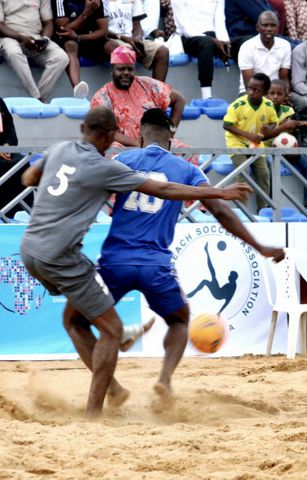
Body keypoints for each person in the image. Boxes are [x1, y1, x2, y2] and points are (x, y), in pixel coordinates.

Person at [19, 106, 251, 417]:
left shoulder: (62, 149)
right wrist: (219, 193)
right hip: (71, 258)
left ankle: (115, 383)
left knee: (74, 321)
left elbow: (28, 177)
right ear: (108, 135)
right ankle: (96, 412)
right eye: (112, 136)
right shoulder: (106, 167)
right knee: (119, 329)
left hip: (30, 250)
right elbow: (164, 189)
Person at [91, 45, 185, 147]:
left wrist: (169, 133)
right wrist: (140, 145)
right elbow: (107, 131)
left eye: (130, 69)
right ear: (112, 70)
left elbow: (179, 100)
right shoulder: (102, 96)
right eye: (121, 69)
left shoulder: (147, 84)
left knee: (188, 152)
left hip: (156, 144)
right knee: (114, 149)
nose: (126, 73)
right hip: (126, 148)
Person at [223, 73, 278, 211]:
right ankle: (243, 211)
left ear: (265, 93)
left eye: (256, 90)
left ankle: (263, 210)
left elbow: (274, 122)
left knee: (264, 174)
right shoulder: (238, 104)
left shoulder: (268, 105)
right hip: (237, 142)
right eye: (249, 88)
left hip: (256, 144)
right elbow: (227, 125)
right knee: (243, 172)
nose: (251, 92)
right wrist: (247, 135)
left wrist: (266, 131)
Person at [0, 1, 69, 102]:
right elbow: (0, 26)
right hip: (10, 37)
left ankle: (39, 100)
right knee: (13, 53)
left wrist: (45, 39)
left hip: (35, 36)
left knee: (61, 58)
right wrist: (20, 37)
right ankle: (35, 97)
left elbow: (48, 23)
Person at [171, 0, 232, 99]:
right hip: (189, 38)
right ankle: (207, 95)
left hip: (212, 36)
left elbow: (219, 20)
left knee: (238, 44)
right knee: (206, 43)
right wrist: (213, 40)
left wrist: (224, 41)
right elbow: (186, 29)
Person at [103, 0, 170, 82]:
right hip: (111, 38)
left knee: (163, 52)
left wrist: (137, 38)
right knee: (125, 50)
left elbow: (137, 24)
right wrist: (123, 38)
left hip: (129, 38)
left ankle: (157, 93)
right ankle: (128, 93)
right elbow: (102, 30)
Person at [237, 11, 291, 95]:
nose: (269, 29)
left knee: (303, 102)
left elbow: (283, 78)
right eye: (265, 25)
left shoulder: (285, 45)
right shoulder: (247, 47)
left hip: (275, 92)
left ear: (278, 28)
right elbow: (249, 83)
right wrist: (268, 98)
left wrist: (285, 94)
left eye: (273, 25)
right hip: (251, 92)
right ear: (257, 27)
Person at [0, 97, 33, 219]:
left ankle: (23, 208)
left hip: (5, 150)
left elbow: (11, 130)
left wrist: (7, 144)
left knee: (20, 162)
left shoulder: (0, 103)